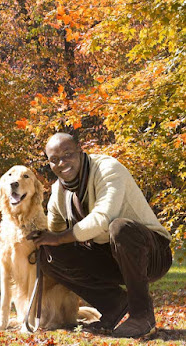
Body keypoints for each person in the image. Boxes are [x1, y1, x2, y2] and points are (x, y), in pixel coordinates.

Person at [27, 132, 172, 338]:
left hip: (153, 254)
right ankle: (113, 304)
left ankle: (141, 315)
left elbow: (104, 217)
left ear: (80, 150)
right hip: (109, 255)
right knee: (49, 252)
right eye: (54, 159)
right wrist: (15, 234)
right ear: (49, 164)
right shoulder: (58, 192)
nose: (62, 162)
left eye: (68, 154)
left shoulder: (108, 169)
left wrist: (58, 238)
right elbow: (50, 233)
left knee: (120, 227)